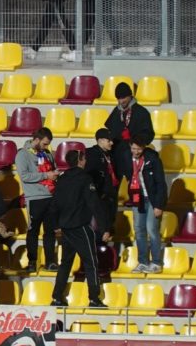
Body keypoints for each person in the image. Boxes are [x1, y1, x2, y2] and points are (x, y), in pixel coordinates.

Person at [49, 149, 106, 308]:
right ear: (80, 160)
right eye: (84, 158)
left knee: (65, 263)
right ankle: (94, 298)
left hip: (65, 228)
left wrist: (55, 225)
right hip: (80, 227)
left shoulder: (62, 179)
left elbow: (54, 204)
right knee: (91, 262)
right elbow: (93, 203)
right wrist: (104, 227)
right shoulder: (85, 178)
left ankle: (56, 297)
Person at [14, 127, 59, 272]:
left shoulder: (47, 154)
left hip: (50, 196)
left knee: (50, 231)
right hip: (35, 198)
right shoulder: (23, 154)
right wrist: (46, 175)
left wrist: (55, 174)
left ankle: (50, 261)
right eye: (44, 144)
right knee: (33, 231)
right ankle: (32, 261)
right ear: (37, 140)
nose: (46, 147)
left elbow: (53, 169)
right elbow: (24, 176)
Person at [126, 137, 168, 274]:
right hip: (137, 199)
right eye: (133, 148)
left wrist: (159, 205)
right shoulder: (127, 159)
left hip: (152, 199)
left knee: (151, 229)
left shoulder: (153, 159)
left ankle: (156, 262)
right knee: (139, 230)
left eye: (139, 149)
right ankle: (143, 262)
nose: (136, 151)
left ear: (143, 148)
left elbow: (161, 183)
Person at [103, 81, 154, 179]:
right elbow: (110, 131)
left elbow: (148, 134)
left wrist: (134, 140)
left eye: (123, 98)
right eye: (119, 98)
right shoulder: (116, 111)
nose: (121, 101)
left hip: (133, 155)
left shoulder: (142, 112)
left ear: (130, 96)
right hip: (117, 154)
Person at [85, 128, 119, 244]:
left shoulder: (109, 155)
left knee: (108, 232)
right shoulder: (91, 154)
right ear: (100, 140)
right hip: (99, 198)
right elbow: (90, 176)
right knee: (99, 233)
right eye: (109, 140)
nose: (112, 143)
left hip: (110, 197)